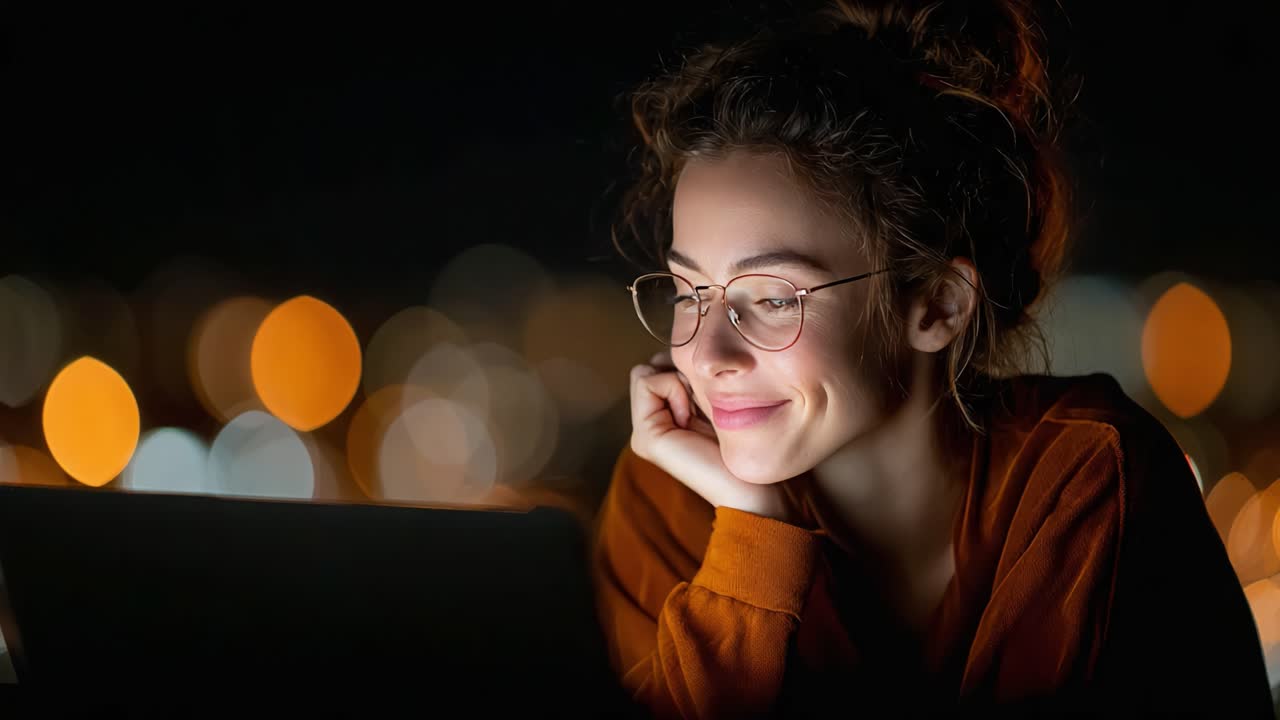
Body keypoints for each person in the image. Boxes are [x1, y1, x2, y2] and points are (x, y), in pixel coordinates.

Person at [589, 0, 1275, 716]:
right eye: (689, 290)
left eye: (774, 298)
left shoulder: (1084, 481)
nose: (706, 353)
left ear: (938, 307)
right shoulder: (666, 500)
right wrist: (752, 534)